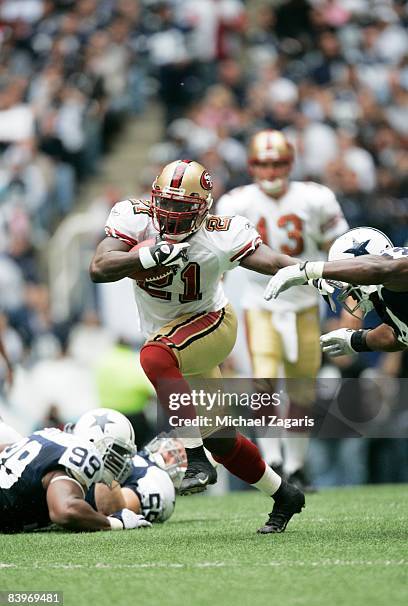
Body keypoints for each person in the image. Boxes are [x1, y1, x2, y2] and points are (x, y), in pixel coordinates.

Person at [89, 158, 312, 533]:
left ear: (204, 208)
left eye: (183, 206)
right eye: (168, 203)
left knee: (154, 357)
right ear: (155, 197)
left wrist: (314, 272)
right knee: (222, 440)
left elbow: (270, 259)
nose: (172, 214)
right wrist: (144, 255)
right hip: (175, 339)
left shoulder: (220, 231)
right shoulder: (134, 216)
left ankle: (195, 459)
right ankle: (285, 494)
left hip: (211, 325)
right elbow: (99, 267)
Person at [216, 130, 349, 490]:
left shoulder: (315, 197)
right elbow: (220, 267)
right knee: (263, 382)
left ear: (290, 163)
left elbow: (340, 252)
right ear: (251, 166)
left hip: (306, 303)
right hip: (261, 302)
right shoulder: (234, 203)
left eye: (277, 163)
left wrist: (346, 303)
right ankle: (273, 459)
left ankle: (297, 464)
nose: (271, 171)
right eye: (263, 163)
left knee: (302, 389)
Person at [0, 408, 150, 533]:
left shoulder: (50, 434)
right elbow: (65, 511)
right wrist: (114, 523)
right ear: (97, 442)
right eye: (118, 451)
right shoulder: (85, 453)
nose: (120, 460)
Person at [264, 226, 408, 354]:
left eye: (351, 286)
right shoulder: (388, 295)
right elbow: (397, 334)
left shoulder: (394, 270)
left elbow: (379, 270)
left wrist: (310, 269)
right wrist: (355, 340)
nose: (353, 297)